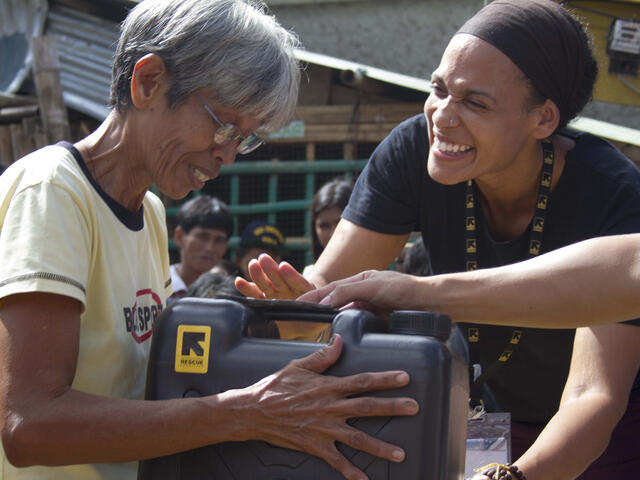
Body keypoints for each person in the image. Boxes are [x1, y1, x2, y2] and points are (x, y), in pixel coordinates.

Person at [0, 1, 419, 479]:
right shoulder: (53, 192)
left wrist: (274, 341)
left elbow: (144, 387)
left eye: (245, 138)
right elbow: (29, 424)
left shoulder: (149, 212)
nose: (229, 155)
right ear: (148, 83)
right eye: (223, 125)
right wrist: (244, 413)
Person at [235, 0, 640, 475]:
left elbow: (594, 396)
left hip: (604, 443)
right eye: (439, 89)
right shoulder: (413, 151)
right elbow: (326, 286)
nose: (442, 116)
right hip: (477, 421)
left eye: (475, 102)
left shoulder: (614, 194)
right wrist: (298, 311)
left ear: (544, 120)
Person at [300, 234, 640, 480]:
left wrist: (423, 294)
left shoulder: (612, 189)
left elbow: (623, 273)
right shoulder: (413, 156)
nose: (440, 129)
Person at [169, 194, 233, 300]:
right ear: (179, 236)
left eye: (219, 240)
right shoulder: (156, 286)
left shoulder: (230, 294)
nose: (210, 248)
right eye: (202, 237)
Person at [303, 178, 353, 277]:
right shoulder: (309, 276)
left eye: (340, 224)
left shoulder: (380, 276)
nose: (333, 233)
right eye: (324, 226)